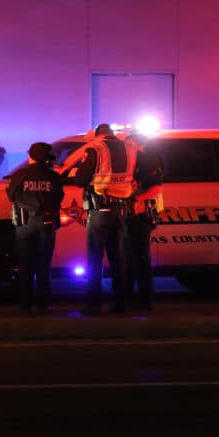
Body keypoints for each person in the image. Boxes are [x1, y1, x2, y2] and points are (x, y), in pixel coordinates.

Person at [68, 123, 137, 314]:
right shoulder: (129, 148)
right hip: (120, 209)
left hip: (100, 210)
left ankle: (94, 304)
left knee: (94, 259)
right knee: (118, 258)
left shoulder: (96, 148)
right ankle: (121, 304)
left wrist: (78, 175)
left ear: (98, 135)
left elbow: (81, 179)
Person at [6, 142, 65, 313]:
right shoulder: (53, 177)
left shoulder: (20, 175)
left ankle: (25, 304)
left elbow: (11, 196)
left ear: (30, 156)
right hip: (46, 223)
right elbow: (58, 198)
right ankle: (44, 303)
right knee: (44, 265)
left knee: (25, 265)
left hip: (24, 223)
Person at [124, 132, 164, 312]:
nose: (126, 146)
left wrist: (136, 199)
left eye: (129, 143)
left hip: (140, 216)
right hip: (125, 215)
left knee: (140, 258)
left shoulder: (148, 160)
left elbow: (156, 188)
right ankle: (127, 296)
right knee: (126, 258)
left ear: (137, 144)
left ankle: (144, 299)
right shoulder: (127, 160)